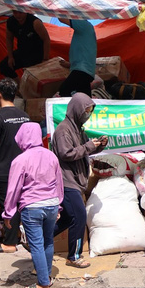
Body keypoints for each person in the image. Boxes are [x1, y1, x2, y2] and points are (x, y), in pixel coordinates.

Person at [3, 123, 63, 288]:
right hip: (51, 204)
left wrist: (8, 213)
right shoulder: (51, 156)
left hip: (32, 207)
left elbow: (13, 189)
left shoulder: (20, 160)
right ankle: (47, 275)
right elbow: (59, 183)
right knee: (48, 241)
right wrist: (58, 205)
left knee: (36, 244)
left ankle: (43, 284)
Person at [52, 93, 107, 268]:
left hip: (76, 180)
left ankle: (37, 239)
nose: (87, 115)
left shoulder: (77, 128)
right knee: (79, 215)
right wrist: (89, 146)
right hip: (67, 180)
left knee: (68, 218)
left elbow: (84, 150)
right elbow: (66, 153)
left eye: (90, 111)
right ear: (76, 109)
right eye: (86, 111)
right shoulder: (63, 130)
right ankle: (73, 256)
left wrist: (98, 145)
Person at [0, 78, 29, 254]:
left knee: (9, 205)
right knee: (15, 203)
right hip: (23, 168)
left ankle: (10, 243)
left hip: (3, 170)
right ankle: (14, 236)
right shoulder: (24, 116)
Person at [0, 10, 50, 79]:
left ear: (25, 11)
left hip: (36, 53)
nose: (18, 15)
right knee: (4, 66)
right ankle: (18, 85)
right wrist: (10, 57)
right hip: (22, 51)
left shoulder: (35, 22)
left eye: (20, 12)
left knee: (30, 74)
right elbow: (9, 39)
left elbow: (46, 39)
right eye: (15, 13)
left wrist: (45, 59)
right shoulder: (11, 22)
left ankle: (26, 85)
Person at [58, 19, 97, 98]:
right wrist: (70, 64)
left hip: (81, 70)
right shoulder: (87, 27)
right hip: (85, 70)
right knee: (85, 98)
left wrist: (58, 8)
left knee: (64, 91)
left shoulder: (82, 24)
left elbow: (61, 19)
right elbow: (85, 52)